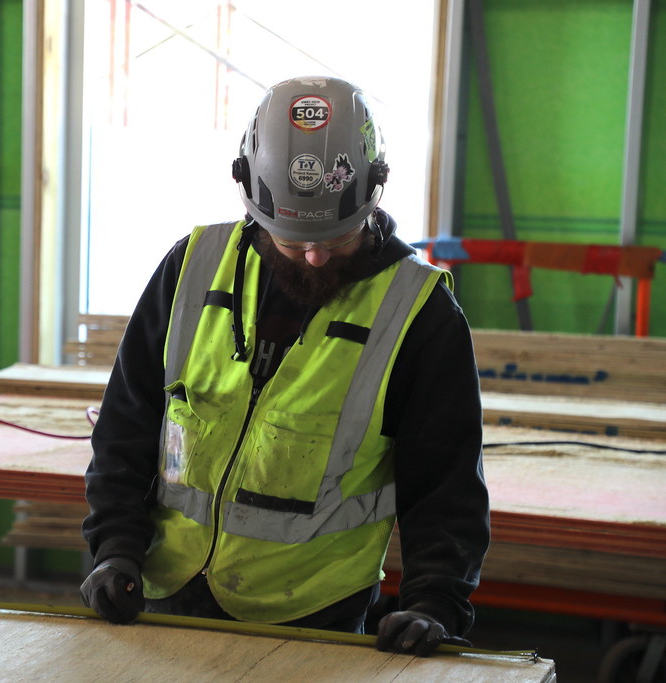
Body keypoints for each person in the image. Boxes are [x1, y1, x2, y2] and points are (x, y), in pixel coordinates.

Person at [79, 75, 490, 656]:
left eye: (335, 235)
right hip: (159, 592)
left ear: (376, 193)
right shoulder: (191, 268)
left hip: (311, 617)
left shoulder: (419, 315)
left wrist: (434, 602)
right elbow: (128, 424)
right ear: (248, 195)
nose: (316, 254)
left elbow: (446, 486)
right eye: (294, 240)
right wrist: (114, 545)